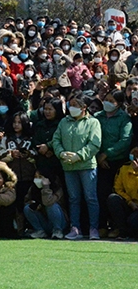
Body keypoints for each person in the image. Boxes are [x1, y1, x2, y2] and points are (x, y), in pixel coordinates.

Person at [52, 93, 102, 240]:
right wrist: (61, 153)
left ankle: (94, 228)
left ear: (83, 108)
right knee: (74, 199)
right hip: (69, 167)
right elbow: (56, 140)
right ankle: (75, 228)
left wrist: (79, 156)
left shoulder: (93, 122)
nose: (71, 107)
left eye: (75, 105)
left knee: (91, 198)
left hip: (87, 166)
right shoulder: (64, 122)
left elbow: (95, 143)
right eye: (70, 104)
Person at [95, 90, 132, 232]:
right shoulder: (98, 117)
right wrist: (99, 156)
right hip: (100, 161)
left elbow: (125, 140)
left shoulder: (124, 119)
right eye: (106, 99)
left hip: (118, 162)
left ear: (119, 104)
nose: (107, 103)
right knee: (101, 194)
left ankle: (117, 226)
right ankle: (102, 226)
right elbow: (92, 137)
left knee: (116, 195)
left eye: (112, 101)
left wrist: (107, 154)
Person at [23, 171, 68, 239]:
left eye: (40, 177)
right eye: (36, 177)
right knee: (27, 208)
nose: (37, 179)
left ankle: (57, 231)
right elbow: (26, 201)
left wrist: (46, 187)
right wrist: (33, 204)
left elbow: (48, 202)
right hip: (44, 221)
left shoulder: (58, 189)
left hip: (59, 221)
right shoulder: (33, 188)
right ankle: (39, 231)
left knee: (52, 206)